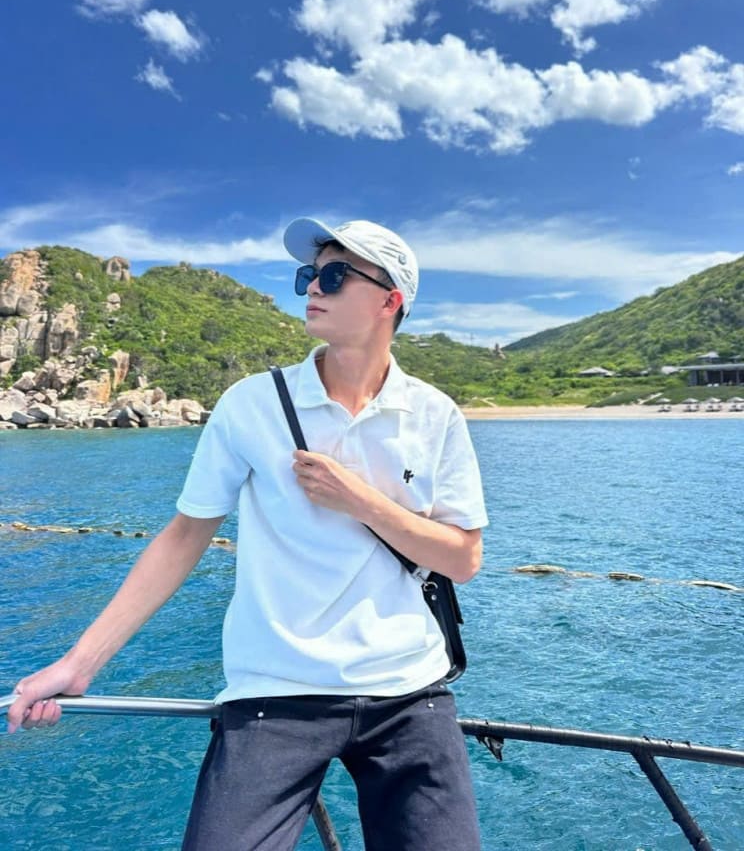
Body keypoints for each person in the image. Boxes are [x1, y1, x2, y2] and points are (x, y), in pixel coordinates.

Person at [8, 217, 489, 850]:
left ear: (388, 301)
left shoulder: (434, 415)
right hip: (275, 693)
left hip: (409, 692)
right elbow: (184, 537)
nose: (311, 287)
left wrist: (361, 501)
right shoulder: (251, 404)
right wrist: (79, 664)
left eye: (334, 276)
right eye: (308, 275)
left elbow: (463, 559)